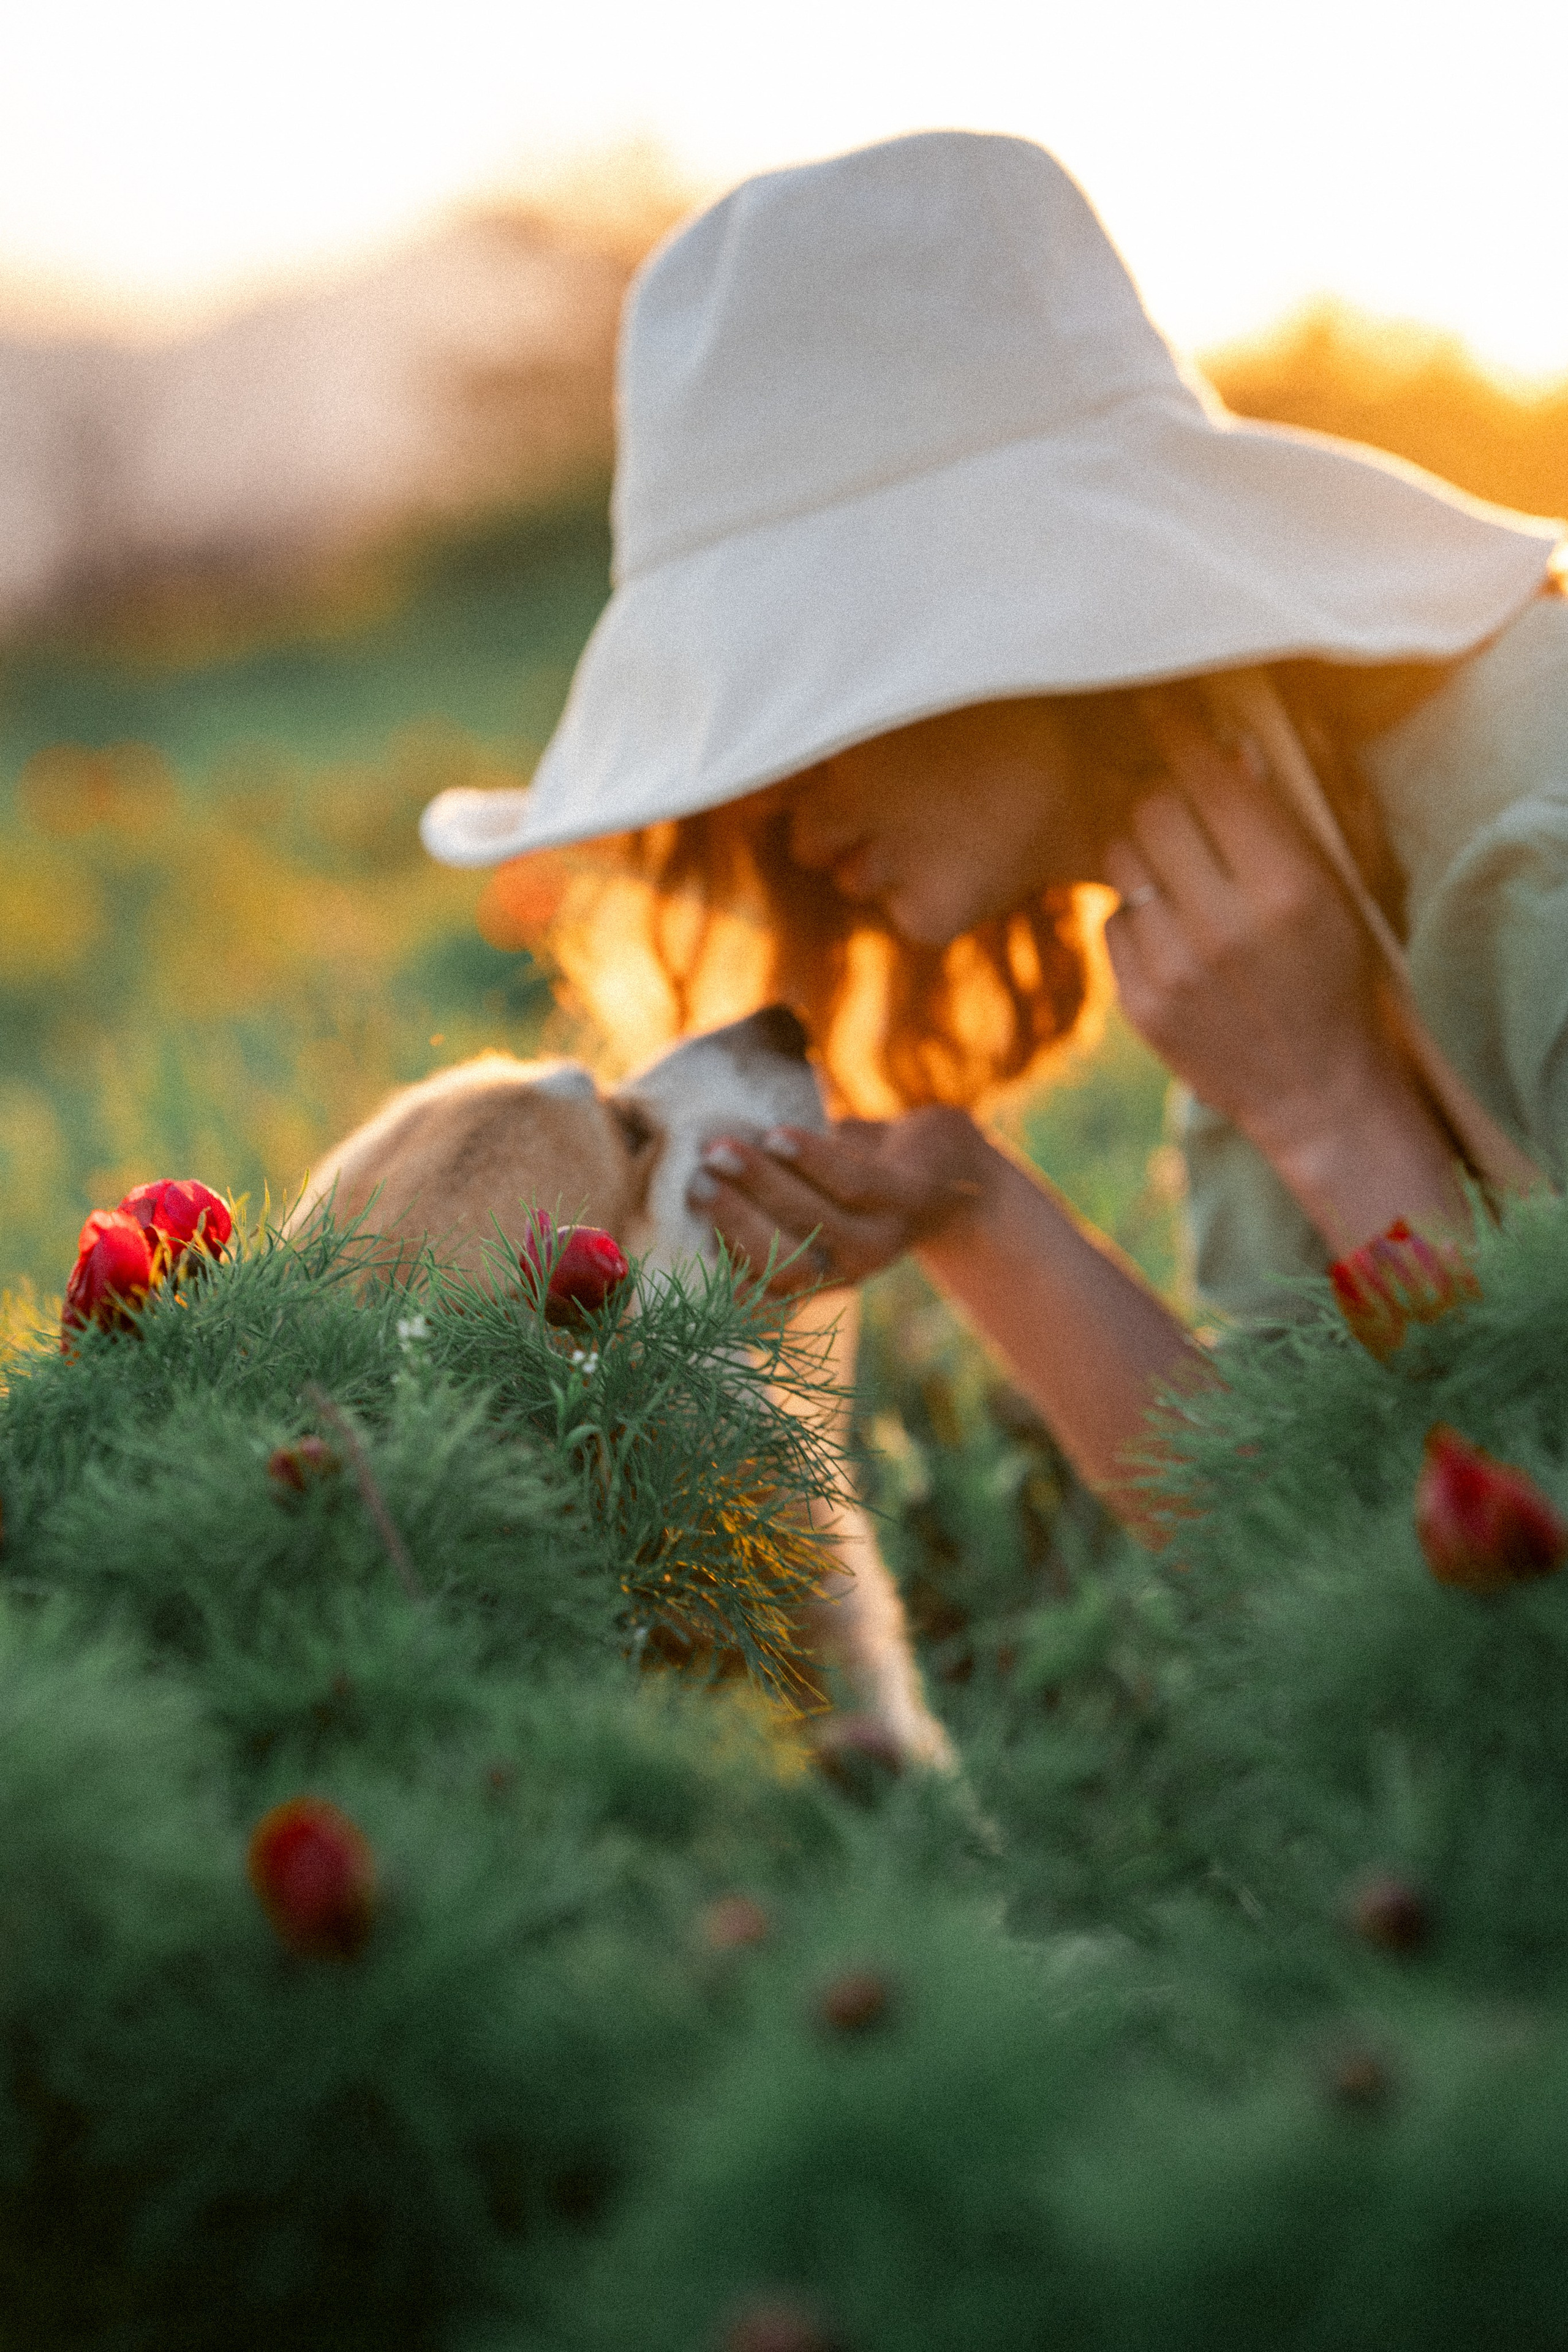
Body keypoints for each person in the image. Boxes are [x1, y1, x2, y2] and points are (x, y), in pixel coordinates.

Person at [421, 131, 1566, 1524]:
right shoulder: (1239, 899)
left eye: (811, 694)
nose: (762, 805)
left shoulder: (1526, 832)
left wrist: (1333, 1111)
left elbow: (1515, 1624)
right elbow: (1307, 1561)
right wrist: (974, 1215)